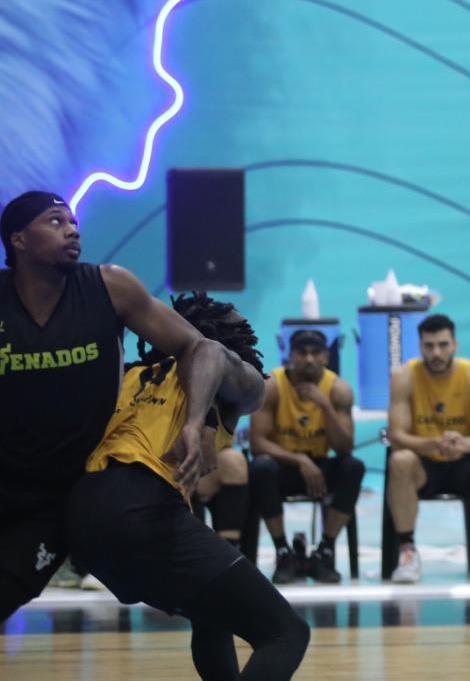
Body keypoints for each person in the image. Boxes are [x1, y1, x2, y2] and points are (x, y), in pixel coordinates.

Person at [0, 191, 232, 620]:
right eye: (55, 221)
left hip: (60, 495)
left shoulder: (108, 286)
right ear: (19, 240)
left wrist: (198, 421)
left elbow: (198, 347)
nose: (72, 230)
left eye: (73, 222)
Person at [65, 292, 309, 680]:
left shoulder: (126, 375)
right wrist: (197, 422)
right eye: (240, 327)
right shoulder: (238, 380)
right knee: (287, 633)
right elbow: (208, 350)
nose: (248, 333)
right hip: (139, 503)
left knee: (211, 614)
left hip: (82, 516)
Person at [385, 314, 470, 584]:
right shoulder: (404, 377)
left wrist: (464, 444)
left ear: (455, 344)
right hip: (424, 465)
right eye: (429, 346)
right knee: (400, 460)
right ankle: (407, 552)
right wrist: (432, 443)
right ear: (420, 346)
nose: (436, 353)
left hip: (464, 464)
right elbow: (396, 436)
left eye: (443, 345)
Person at [248, 329, 365, 584]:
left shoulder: (338, 389)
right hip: (284, 465)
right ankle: (283, 551)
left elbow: (344, 448)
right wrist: (300, 460)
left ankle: (325, 550)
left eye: (315, 353)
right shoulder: (272, 384)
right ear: (290, 355)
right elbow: (257, 443)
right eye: (302, 353)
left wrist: (325, 406)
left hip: (320, 467)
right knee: (261, 467)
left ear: (326, 357)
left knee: (353, 467)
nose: (309, 359)